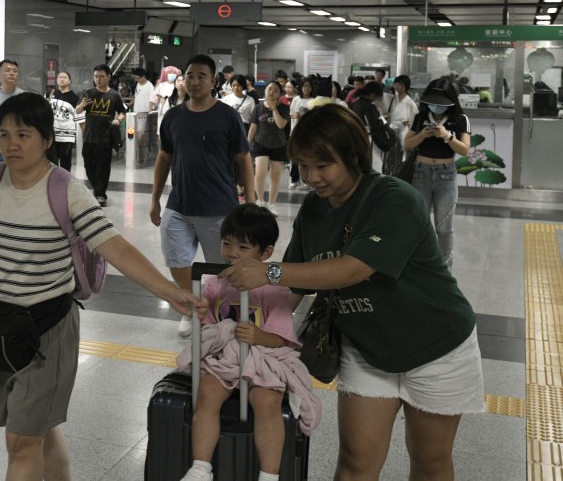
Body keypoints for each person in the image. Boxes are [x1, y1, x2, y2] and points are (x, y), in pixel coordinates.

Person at [0, 92, 204, 481]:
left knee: (21, 442)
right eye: (4, 134)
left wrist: (171, 291)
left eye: (23, 135)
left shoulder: (65, 189)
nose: (11, 144)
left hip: (48, 330)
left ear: (47, 140)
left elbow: (116, 247)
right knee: (35, 430)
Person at [225, 102, 484, 480]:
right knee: (356, 461)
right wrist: (230, 312)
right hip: (367, 349)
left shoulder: (395, 198)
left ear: (353, 155)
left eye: (322, 165)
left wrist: (269, 271)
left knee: (429, 460)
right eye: (304, 166)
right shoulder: (314, 210)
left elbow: (353, 268)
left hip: (435, 347)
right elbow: (293, 287)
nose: (312, 177)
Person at [178, 204, 321, 481]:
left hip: (262, 359)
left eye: (243, 247)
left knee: (267, 402)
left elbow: (282, 339)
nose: (231, 252)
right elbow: (209, 331)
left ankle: (269, 474)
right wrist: (202, 318)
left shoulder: (275, 290)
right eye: (226, 243)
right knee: (206, 395)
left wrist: (258, 337)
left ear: (265, 253)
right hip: (225, 359)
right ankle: (200, 467)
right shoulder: (214, 283)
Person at [151, 55, 255, 337]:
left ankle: (218, 310)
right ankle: (192, 307)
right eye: (189, 75)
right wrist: (155, 198)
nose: (194, 81)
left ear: (213, 81)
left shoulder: (227, 116)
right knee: (177, 261)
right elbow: (164, 157)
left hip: (219, 207)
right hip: (179, 205)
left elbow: (244, 159)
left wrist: (252, 204)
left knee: (223, 268)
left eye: (201, 76)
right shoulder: (173, 116)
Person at [403, 78, 471, 270]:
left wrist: (448, 136)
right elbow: (407, 145)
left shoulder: (460, 119)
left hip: (445, 176)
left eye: (440, 103)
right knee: (419, 226)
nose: (435, 107)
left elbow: (465, 150)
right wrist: (422, 135)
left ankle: (443, 272)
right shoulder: (420, 117)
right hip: (420, 174)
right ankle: (419, 267)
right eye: (432, 102)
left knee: (444, 228)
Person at [77, 64, 127, 207]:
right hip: (89, 135)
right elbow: (78, 110)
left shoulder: (114, 95)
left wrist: (119, 120)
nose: (98, 79)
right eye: (96, 76)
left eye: (101, 76)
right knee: (88, 164)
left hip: (105, 136)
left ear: (108, 77)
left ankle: (100, 194)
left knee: (103, 166)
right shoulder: (88, 93)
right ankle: (96, 188)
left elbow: (123, 112)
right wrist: (82, 105)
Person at [247, 82, 289, 215]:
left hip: (279, 145)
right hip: (261, 144)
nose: (272, 92)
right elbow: (253, 128)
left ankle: (271, 204)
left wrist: (273, 108)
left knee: (275, 176)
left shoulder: (284, 108)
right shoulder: (258, 108)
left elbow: (281, 124)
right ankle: (260, 201)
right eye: (269, 89)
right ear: (265, 91)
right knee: (260, 174)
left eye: (275, 90)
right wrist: (248, 144)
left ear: (279, 94)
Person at [48, 71, 83, 173]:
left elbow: (79, 116)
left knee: (65, 163)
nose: (62, 79)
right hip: (52, 135)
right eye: (60, 77)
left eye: (65, 77)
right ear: (56, 80)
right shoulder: (50, 94)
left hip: (67, 136)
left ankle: (65, 184)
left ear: (69, 81)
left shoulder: (74, 98)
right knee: (51, 163)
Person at [352, 81, 391, 172]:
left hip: (358, 137)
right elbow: (375, 126)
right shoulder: (369, 107)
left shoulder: (356, 104)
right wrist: (384, 119)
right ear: (373, 94)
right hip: (370, 140)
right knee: (374, 167)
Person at [287, 78, 313, 191]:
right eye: (304, 86)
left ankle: (306, 180)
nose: (306, 88)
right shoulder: (296, 99)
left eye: (308, 86)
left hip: (309, 132)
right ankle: (294, 179)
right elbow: (291, 115)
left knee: (306, 156)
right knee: (294, 157)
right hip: (296, 130)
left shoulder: (314, 100)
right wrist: (297, 115)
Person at [388, 74, 418, 149]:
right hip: (391, 135)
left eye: (396, 84)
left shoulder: (410, 104)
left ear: (403, 86)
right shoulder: (394, 99)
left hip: (403, 137)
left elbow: (414, 123)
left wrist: (403, 124)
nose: (394, 87)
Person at [154, 66, 182, 136]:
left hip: (175, 113)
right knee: (162, 133)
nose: (172, 74)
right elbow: (154, 98)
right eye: (170, 73)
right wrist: (159, 98)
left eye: (174, 73)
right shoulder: (161, 85)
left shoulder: (177, 86)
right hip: (162, 113)